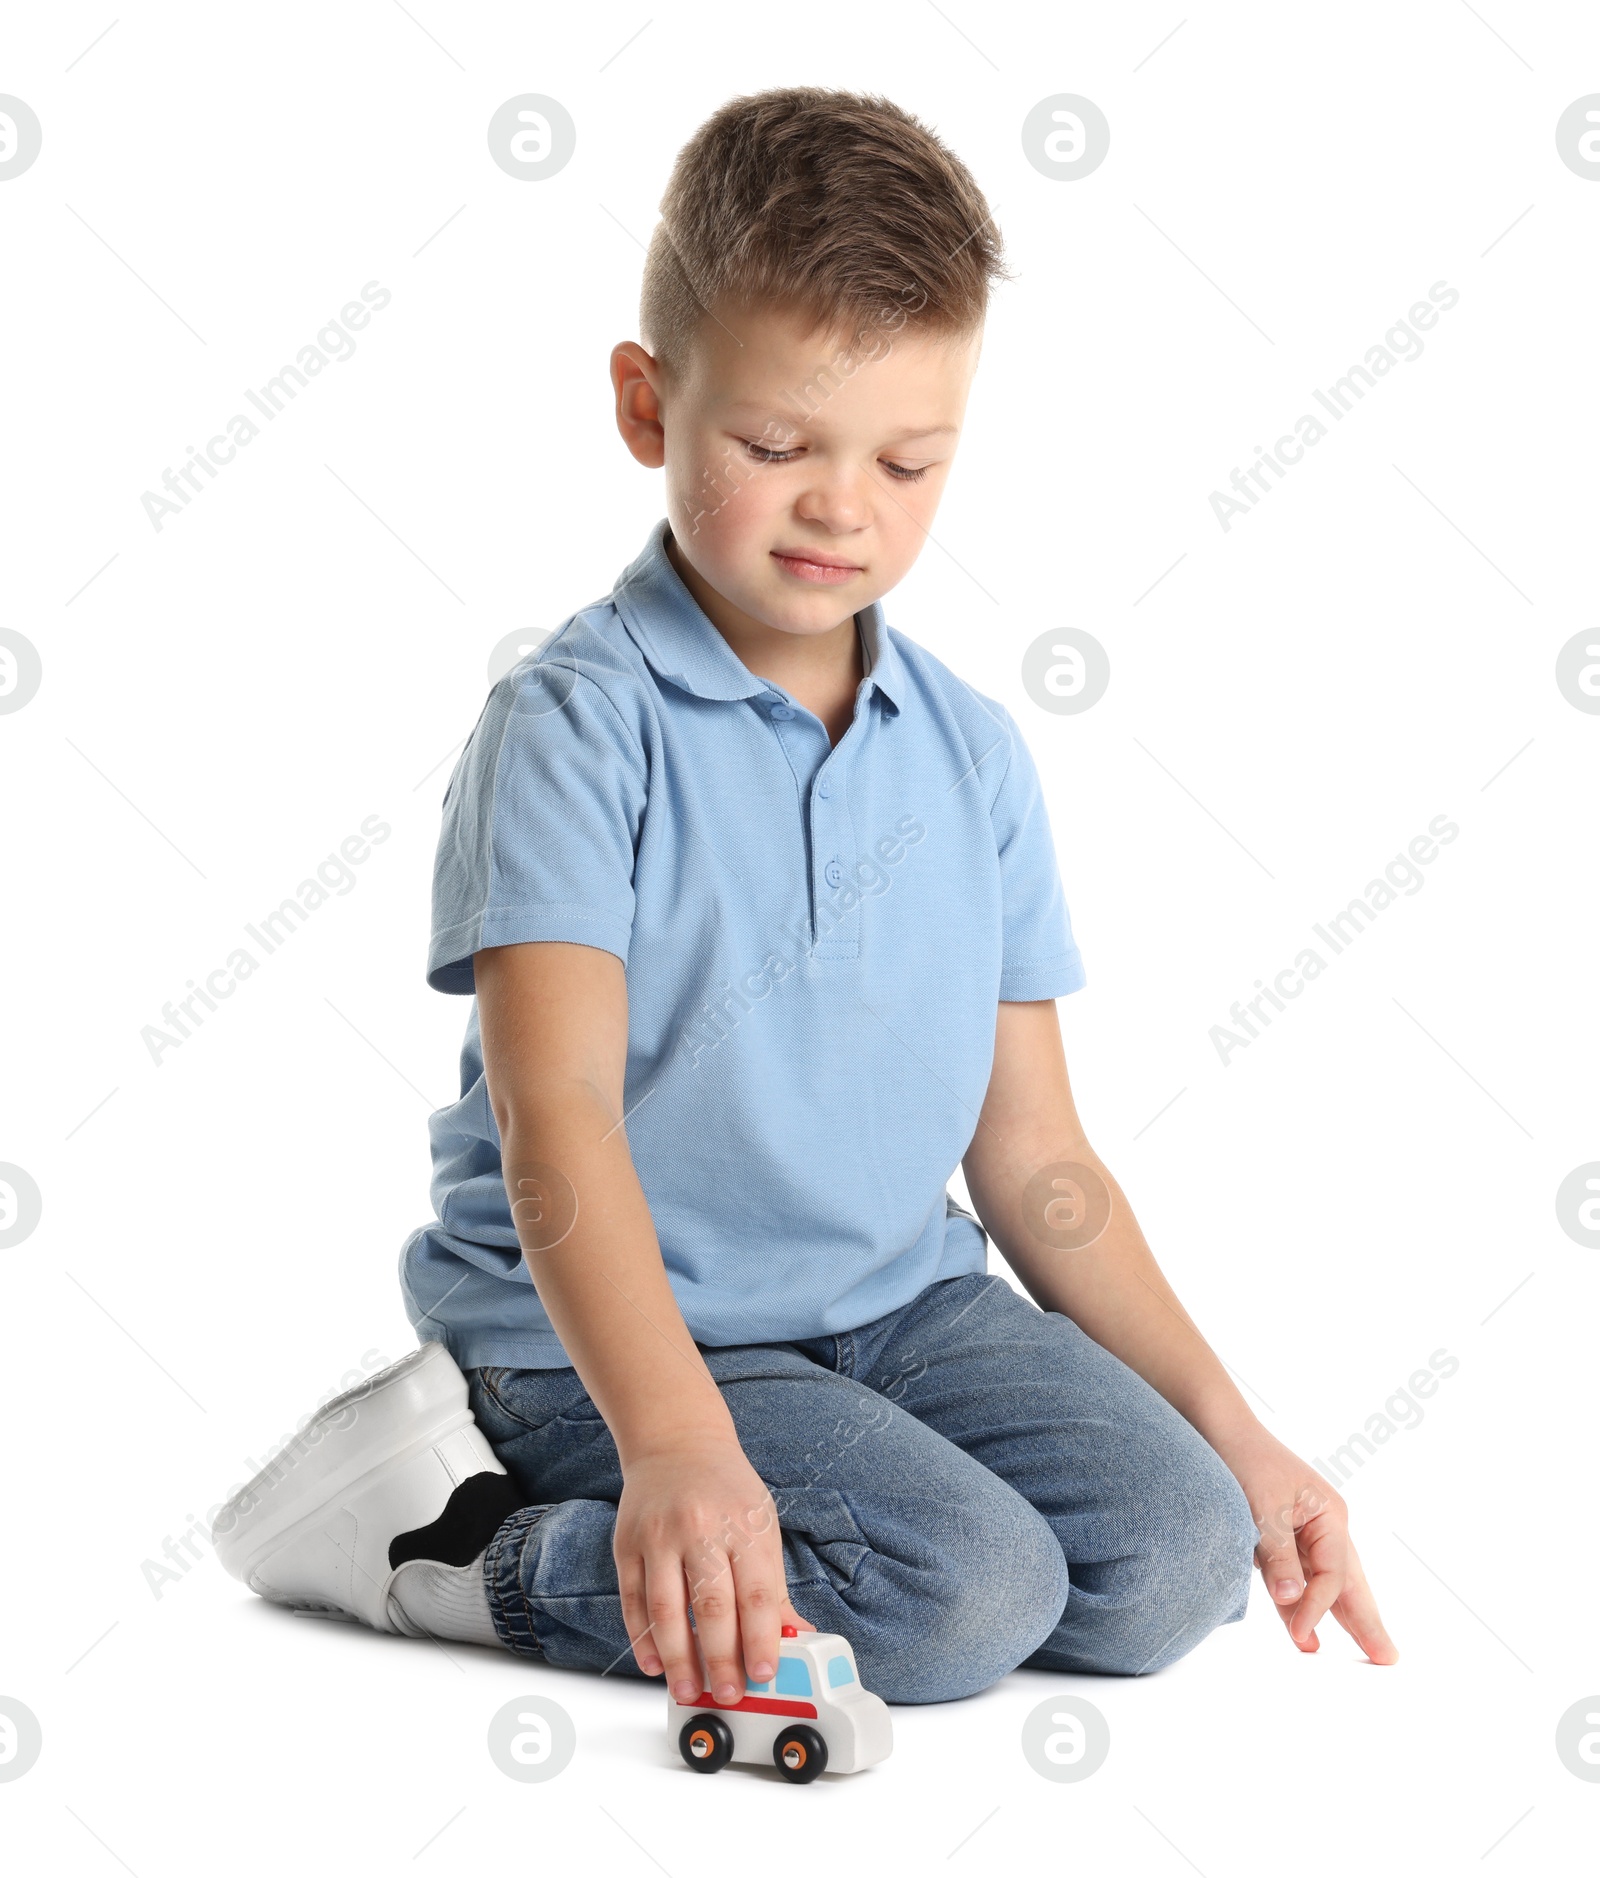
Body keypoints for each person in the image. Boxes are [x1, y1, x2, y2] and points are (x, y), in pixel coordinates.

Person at [213, 85, 1396, 1706]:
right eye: (776, 447)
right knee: (966, 1595)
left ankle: (803, 1512)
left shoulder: (969, 755)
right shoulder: (576, 723)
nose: (845, 506)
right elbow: (556, 1117)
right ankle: (462, 1542)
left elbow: (1037, 1154)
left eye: (908, 461)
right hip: (601, 1341)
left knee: (1173, 1556)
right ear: (648, 404)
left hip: (899, 1310)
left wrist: (1238, 1427)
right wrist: (681, 1441)